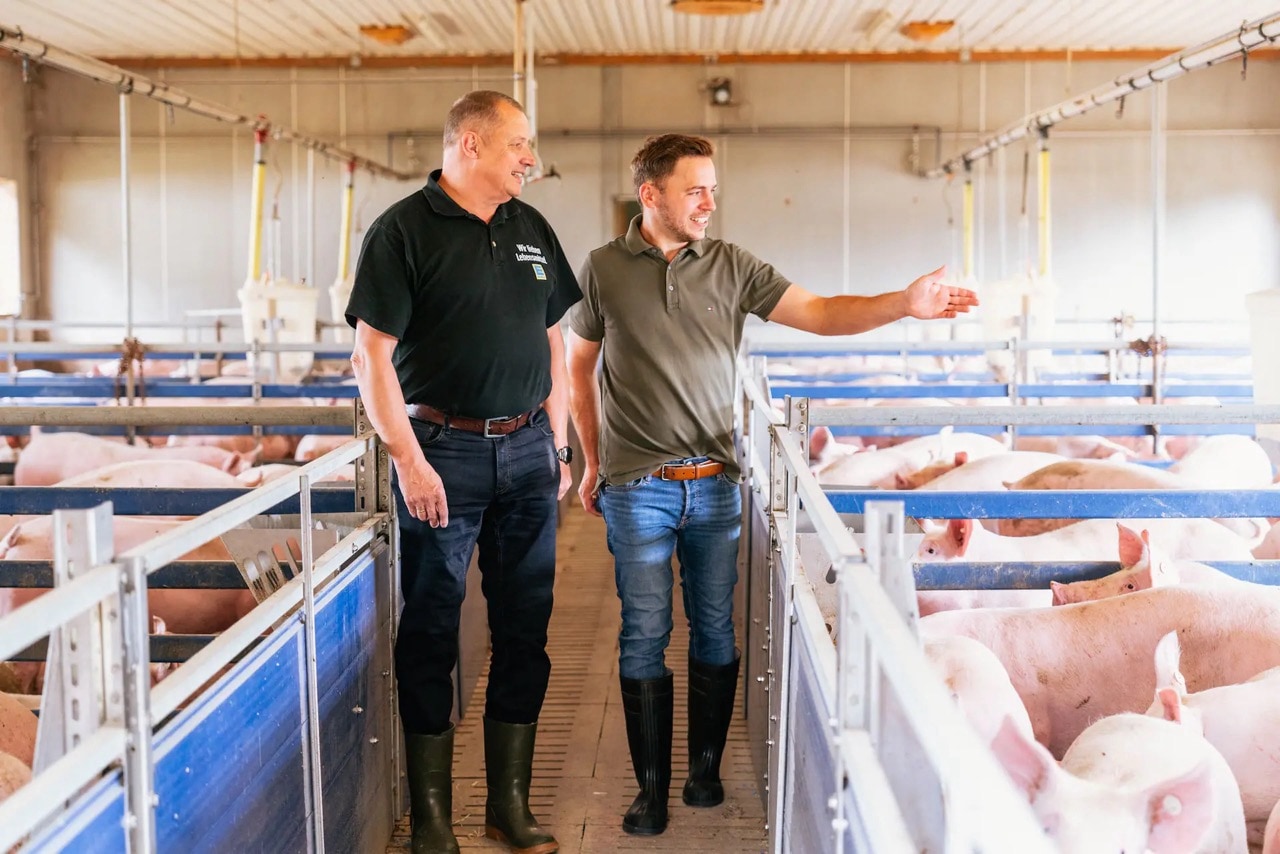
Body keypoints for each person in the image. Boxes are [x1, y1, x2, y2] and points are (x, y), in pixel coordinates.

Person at [565, 133, 977, 836]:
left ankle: (702, 769)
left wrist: (903, 304)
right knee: (642, 631)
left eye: (714, 189)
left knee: (715, 630)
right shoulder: (603, 268)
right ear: (652, 195)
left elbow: (820, 313)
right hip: (639, 486)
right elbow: (580, 366)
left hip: (716, 481)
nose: (709, 202)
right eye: (695, 189)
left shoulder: (731, 266)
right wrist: (592, 460)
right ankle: (650, 791)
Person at [347, 90, 579, 854]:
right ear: (470, 144)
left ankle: (508, 805)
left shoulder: (531, 228)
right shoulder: (403, 231)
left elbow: (556, 343)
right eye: (519, 144)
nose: (530, 158)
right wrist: (408, 462)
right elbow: (369, 358)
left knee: (526, 629)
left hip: (525, 455)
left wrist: (558, 443)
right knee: (430, 629)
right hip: (439, 453)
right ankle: (434, 820)